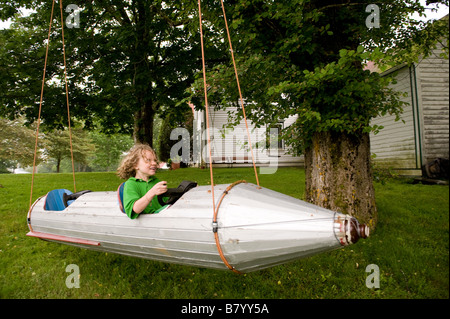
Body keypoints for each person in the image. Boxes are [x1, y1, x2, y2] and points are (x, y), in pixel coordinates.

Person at [117, 144, 168, 219]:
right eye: (148, 160)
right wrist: (152, 192)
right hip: (146, 223)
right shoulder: (131, 184)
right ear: (135, 165)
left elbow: (167, 202)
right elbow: (135, 209)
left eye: (155, 160)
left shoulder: (157, 182)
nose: (154, 163)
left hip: (162, 219)